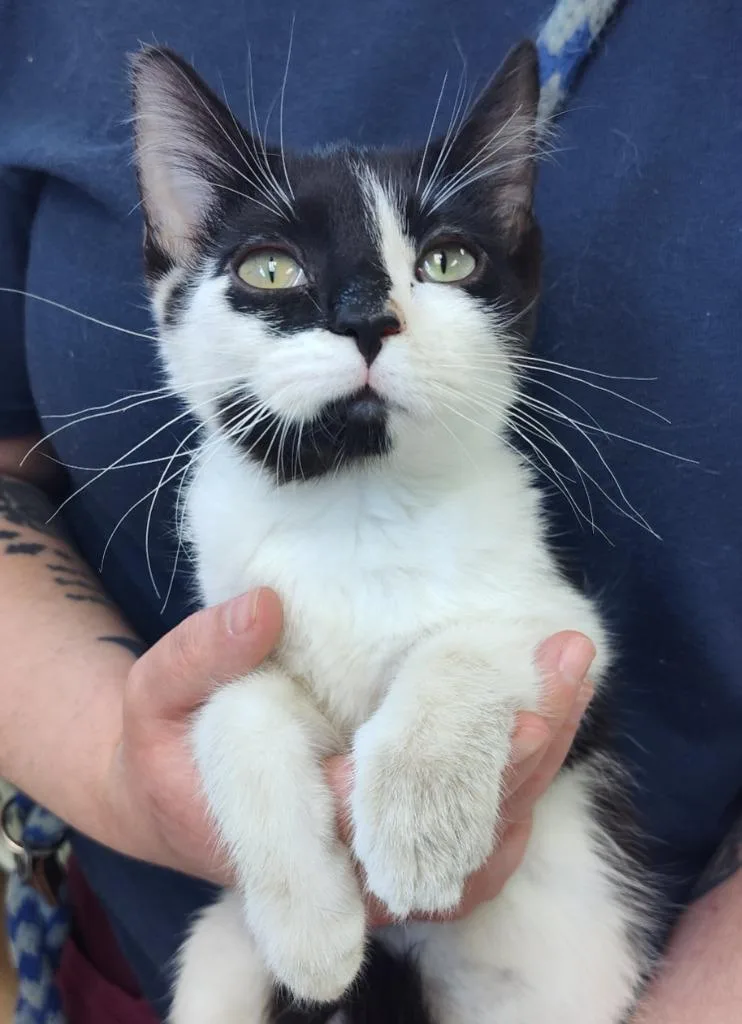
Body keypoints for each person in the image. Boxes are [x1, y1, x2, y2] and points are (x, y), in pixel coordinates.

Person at [0, 0, 740, 1021]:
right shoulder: (223, 512)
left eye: (444, 262)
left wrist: (455, 694)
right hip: (125, 949)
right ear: (173, 267)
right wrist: (129, 767)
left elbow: (543, 644)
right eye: (270, 268)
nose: (370, 319)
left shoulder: (482, 504)